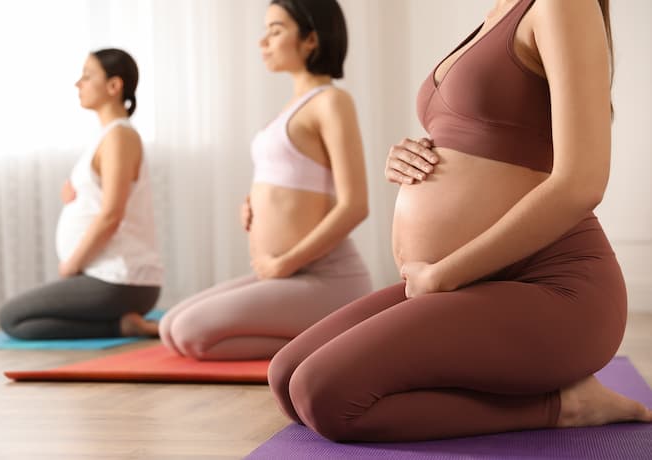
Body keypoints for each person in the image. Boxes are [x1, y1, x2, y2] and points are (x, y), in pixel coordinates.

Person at [268, 0, 652, 442]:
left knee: (324, 393)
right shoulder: (499, 11)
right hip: (472, 283)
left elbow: (582, 182)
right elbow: (492, 138)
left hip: (553, 287)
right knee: (286, 376)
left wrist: (444, 275)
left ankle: (564, 406)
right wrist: (412, 158)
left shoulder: (562, 4)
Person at [159, 0, 371, 361]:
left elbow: (355, 206)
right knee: (169, 327)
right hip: (287, 275)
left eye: (275, 31)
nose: (263, 42)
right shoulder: (291, 107)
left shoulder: (332, 101)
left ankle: (332, 338)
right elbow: (289, 180)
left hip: (325, 276)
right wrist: (253, 204)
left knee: (190, 333)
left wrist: (284, 262)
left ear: (310, 40)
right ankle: (324, 336)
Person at [0, 48, 162, 339]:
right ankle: (122, 325)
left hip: (120, 278)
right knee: (18, 322)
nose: (78, 84)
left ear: (114, 86)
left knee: (11, 318)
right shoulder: (108, 136)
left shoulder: (120, 136)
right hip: (105, 275)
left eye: (87, 76)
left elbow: (112, 214)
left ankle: (122, 325)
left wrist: (73, 263)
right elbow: (102, 197)